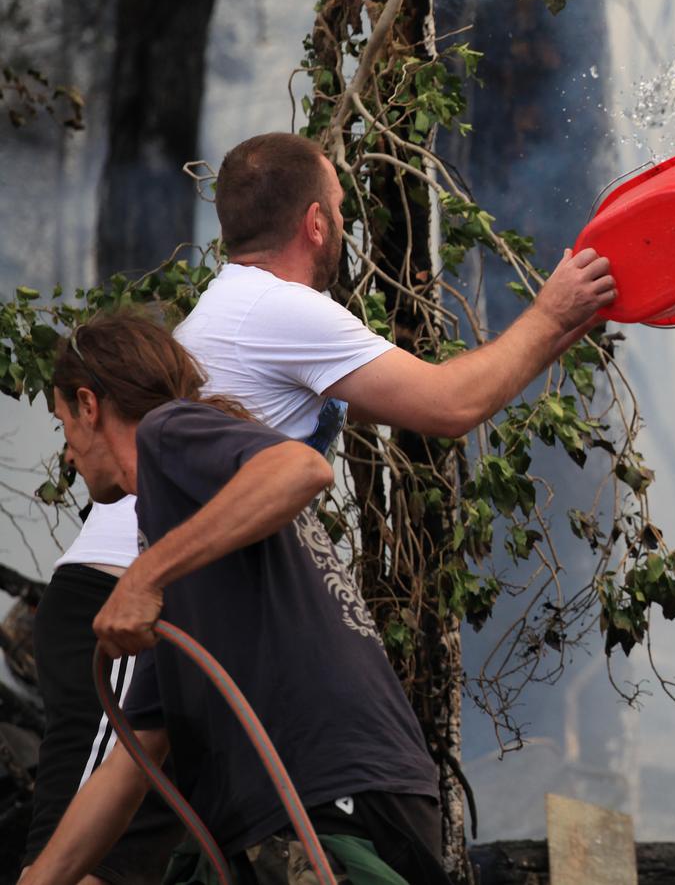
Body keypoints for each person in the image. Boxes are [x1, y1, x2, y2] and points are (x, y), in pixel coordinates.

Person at [23, 131, 616, 882]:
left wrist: (560, 325)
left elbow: (305, 462)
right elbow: (449, 402)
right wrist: (552, 311)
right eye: (340, 209)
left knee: (107, 863)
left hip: (164, 602)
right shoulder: (269, 311)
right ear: (314, 223)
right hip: (121, 594)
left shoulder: (234, 339)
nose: (344, 223)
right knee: (92, 864)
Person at [23, 312, 450, 884]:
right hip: (371, 799)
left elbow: (302, 467)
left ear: (89, 405)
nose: (70, 457)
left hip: (322, 803)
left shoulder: (167, 433)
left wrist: (143, 575)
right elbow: (137, 753)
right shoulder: (189, 529)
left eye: (64, 426)